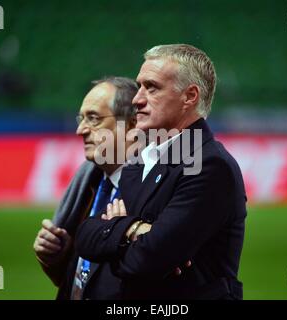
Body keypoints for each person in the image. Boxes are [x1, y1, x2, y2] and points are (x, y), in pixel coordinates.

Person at [75, 44, 247, 299]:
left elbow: (144, 262)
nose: (137, 99)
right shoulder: (139, 160)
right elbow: (85, 237)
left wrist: (116, 231)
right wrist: (134, 230)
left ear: (190, 96)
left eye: (151, 87)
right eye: (139, 86)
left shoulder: (210, 165)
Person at [33, 76, 138, 300]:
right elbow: (79, 281)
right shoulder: (88, 183)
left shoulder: (154, 191)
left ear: (131, 125)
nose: (81, 130)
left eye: (93, 119)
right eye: (81, 119)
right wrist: (58, 258)